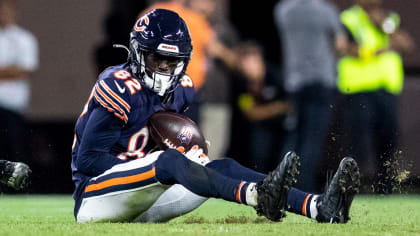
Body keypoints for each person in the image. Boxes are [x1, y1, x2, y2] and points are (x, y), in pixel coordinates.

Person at [71, 9, 360, 223]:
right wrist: (154, 164)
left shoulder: (182, 88)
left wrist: (180, 165)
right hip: (97, 197)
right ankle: (257, 195)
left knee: (215, 164)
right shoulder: (120, 85)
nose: (162, 68)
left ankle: (319, 206)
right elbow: (88, 161)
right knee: (170, 160)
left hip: (143, 193)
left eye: (171, 61)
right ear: (137, 53)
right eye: (155, 58)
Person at [337, 0, 415, 194]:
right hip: (358, 89)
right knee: (357, 143)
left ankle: (385, 189)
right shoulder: (348, 18)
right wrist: (378, 50)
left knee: (388, 141)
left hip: (386, 90)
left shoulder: (390, 18)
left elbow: (406, 45)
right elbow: (346, 48)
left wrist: (384, 27)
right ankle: (349, 190)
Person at [273, 0, 348, 192]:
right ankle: (303, 188)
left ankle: (281, 185)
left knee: (295, 135)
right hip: (321, 81)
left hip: (295, 82)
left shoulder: (283, 10)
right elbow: (341, 44)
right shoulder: (326, 11)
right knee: (312, 138)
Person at [138, 0, 238, 125]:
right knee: (183, 136)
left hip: (157, 87)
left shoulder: (150, 13)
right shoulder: (193, 18)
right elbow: (215, 48)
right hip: (182, 90)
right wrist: (236, 59)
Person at [234, 42, 289, 173]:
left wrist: (266, 110)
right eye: (244, 65)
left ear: (259, 59)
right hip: (260, 131)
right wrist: (275, 108)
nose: (247, 68)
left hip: (283, 130)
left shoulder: (276, 76)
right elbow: (250, 113)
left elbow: (289, 106)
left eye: (250, 63)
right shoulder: (243, 82)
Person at [0, 0, 39, 163]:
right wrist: (11, 70)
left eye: (6, 10)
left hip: (13, 104)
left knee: (14, 150)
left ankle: (18, 188)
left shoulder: (24, 39)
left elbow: (26, 70)